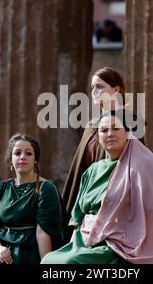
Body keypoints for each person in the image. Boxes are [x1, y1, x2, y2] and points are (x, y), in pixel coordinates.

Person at [41, 110, 153, 264]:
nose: (110, 134)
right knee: (49, 261)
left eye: (116, 128)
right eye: (104, 130)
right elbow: (78, 217)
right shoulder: (92, 171)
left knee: (69, 263)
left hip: (120, 245)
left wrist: (122, 228)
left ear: (127, 133)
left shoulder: (145, 166)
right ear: (98, 137)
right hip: (85, 239)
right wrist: (73, 246)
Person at [0, 134, 67, 264]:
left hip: (28, 248)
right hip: (1, 245)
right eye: (17, 153)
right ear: (10, 159)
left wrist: (45, 264)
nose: (22, 157)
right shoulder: (2, 187)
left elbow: (42, 233)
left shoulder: (46, 188)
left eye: (28, 153)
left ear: (36, 159)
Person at [62, 67, 144, 219]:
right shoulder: (92, 125)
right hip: (88, 200)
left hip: (116, 204)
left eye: (100, 86)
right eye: (92, 87)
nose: (94, 91)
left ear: (116, 90)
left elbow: (137, 165)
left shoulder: (130, 121)